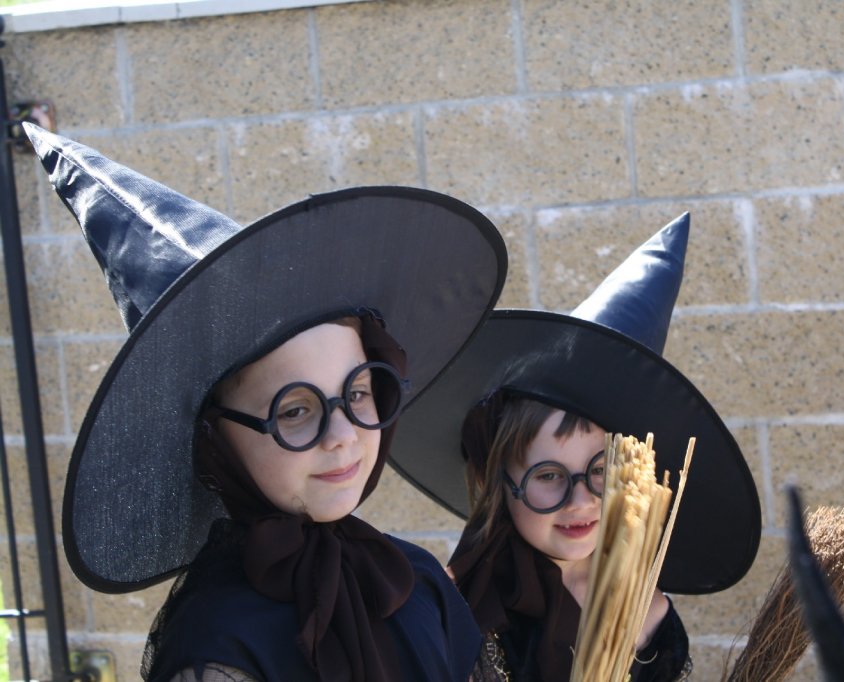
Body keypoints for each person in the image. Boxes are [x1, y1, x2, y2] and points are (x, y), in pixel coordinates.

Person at [22, 123, 508, 681]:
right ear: (216, 442)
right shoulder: (218, 640)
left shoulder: (414, 581)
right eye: (295, 411)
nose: (343, 436)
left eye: (357, 392)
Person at [389, 214, 763, 681]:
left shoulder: (644, 613)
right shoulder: (458, 610)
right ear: (500, 481)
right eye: (549, 476)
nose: (581, 500)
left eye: (600, 471)